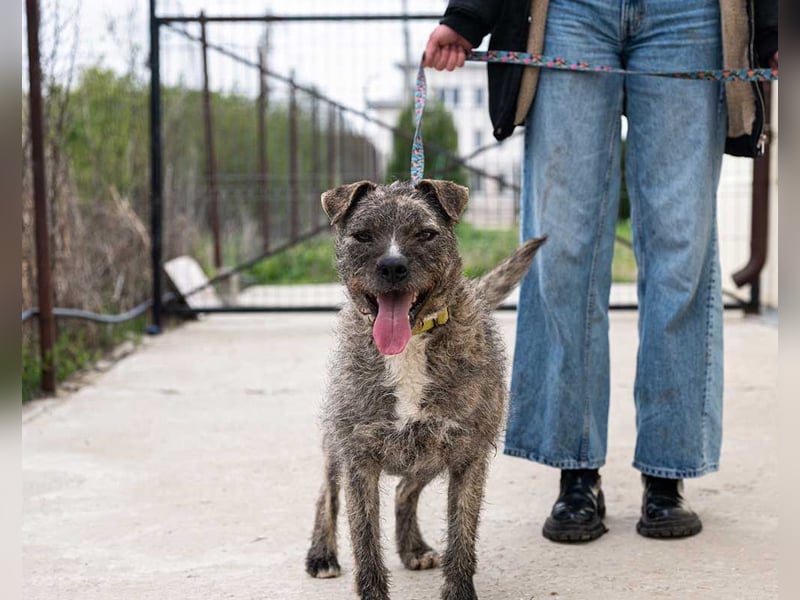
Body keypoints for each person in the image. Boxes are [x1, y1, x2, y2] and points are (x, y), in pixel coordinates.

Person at [424, 0, 777, 542]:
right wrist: (469, 14)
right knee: (560, 249)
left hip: (690, 15)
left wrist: (774, 25)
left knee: (682, 250)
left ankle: (668, 472)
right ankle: (576, 469)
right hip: (569, 13)